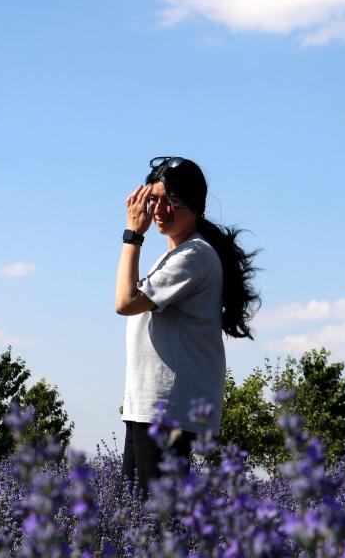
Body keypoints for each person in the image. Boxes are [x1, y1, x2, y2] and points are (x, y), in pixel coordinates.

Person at [115, 156, 260, 494]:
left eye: (172, 201)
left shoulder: (193, 256)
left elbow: (125, 302)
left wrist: (132, 236)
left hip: (166, 407)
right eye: (153, 200)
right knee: (135, 513)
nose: (159, 210)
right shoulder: (177, 255)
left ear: (194, 205)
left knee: (157, 516)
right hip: (149, 404)